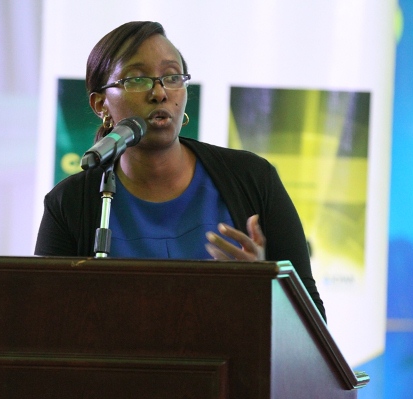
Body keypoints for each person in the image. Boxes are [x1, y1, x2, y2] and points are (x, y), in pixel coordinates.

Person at [34, 21, 326, 321]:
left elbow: (313, 319)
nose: (160, 93)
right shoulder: (69, 203)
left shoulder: (252, 178)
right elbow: (43, 323)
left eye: (172, 77)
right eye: (137, 79)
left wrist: (266, 289)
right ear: (101, 104)